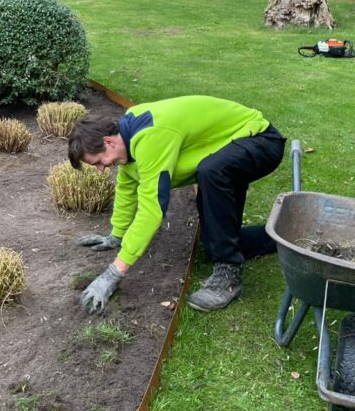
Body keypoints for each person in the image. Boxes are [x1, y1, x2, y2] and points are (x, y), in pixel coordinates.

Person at [68, 95, 285, 313]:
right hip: (231, 148)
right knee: (215, 241)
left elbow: (152, 210)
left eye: (99, 162)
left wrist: (113, 273)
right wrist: (117, 235)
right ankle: (283, 239)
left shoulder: (151, 136)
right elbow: (127, 187)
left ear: (108, 142)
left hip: (260, 139)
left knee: (211, 171)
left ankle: (229, 274)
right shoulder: (126, 138)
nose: (101, 169)